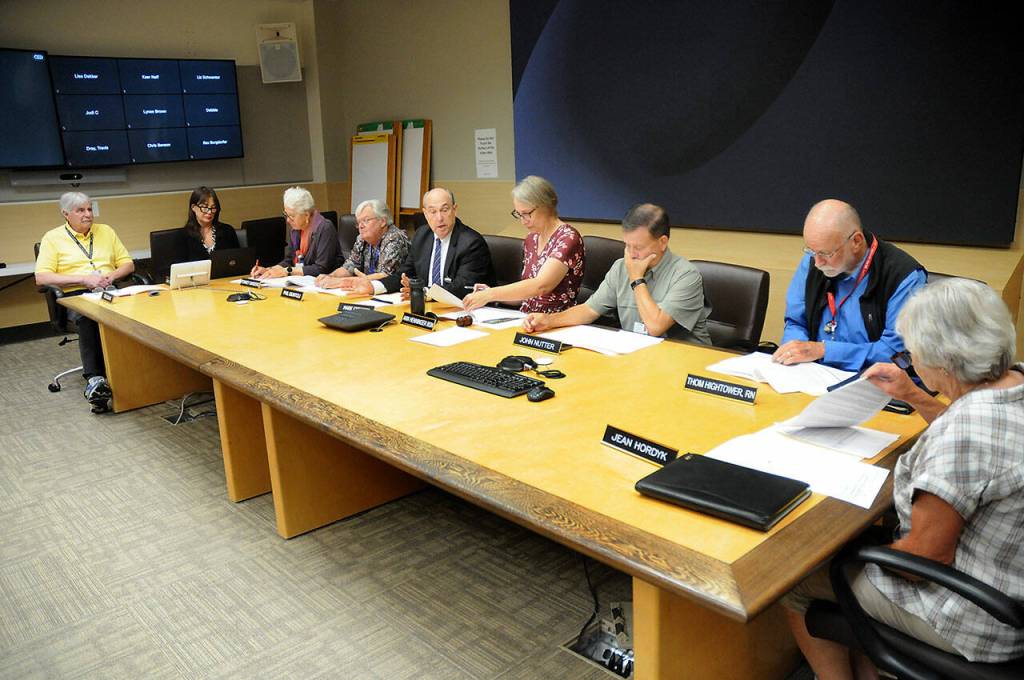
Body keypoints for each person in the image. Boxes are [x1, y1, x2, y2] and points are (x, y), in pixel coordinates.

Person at [783, 278, 1024, 677]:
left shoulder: (963, 432)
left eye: (911, 354)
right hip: (1009, 584)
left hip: (973, 619)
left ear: (942, 362)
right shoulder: (1013, 384)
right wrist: (912, 394)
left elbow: (923, 558)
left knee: (798, 577)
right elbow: (978, 442)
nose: (909, 360)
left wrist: (856, 549)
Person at [522, 203, 711, 343]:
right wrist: (549, 320)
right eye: (627, 245)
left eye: (638, 247)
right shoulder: (621, 267)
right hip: (638, 357)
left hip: (683, 363)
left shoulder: (686, 275)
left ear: (662, 242)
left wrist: (637, 279)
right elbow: (589, 310)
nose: (631, 254)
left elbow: (655, 327)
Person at [774, 199, 926, 371]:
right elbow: (795, 322)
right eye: (811, 251)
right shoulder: (813, 261)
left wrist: (825, 351)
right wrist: (795, 354)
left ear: (856, 241)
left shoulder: (903, 277)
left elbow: (896, 354)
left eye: (826, 253)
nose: (817, 263)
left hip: (873, 379)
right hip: (814, 373)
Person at [35, 191, 136, 413]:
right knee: (89, 317)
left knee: (139, 310)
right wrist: (83, 279)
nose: (88, 214)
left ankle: (139, 371)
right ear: (66, 214)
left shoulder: (106, 231)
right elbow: (41, 278)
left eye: (90, 209)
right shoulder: (52, 238)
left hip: (109, 289)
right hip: (76, 295)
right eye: (80, 210)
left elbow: (128, 264)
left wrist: (112, 275)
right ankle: (95, 380)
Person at [337, 187, 494, 298]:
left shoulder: (471, 243)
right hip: (426, 309)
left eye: (444, 210)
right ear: (425, 214)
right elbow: (404, 275)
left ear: (455, 210)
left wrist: (422, 293)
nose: (439, 218)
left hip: (460, 312)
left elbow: (463, 287)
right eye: (433, 211)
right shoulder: (422, 236)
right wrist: (374, 286)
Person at [462, 175, 584, 313]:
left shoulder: (568, 238)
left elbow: (541, 286)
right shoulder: (532, 238)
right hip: (526, 317)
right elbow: (526, 295)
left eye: (526, 213)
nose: (523, 221)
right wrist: (490, 294)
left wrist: (491, 294)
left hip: (555, 320)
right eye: (519, 214)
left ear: (546, 206)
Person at [314, 199, 409, 288]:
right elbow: (349, 266)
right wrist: (330, 277)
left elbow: (386, 276)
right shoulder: (362, 239)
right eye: (359, 222)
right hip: (367, 290)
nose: (361, 226)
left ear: (383, 221)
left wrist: (341, 282)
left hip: (392, 292)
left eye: (366, 220)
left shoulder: (395, 238)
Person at [250, 186, 338, 279]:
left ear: (306, 215)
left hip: (325, 282)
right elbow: (290, 260)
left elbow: (321, 268)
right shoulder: (295, 229)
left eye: (291, 216)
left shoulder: (325, 228)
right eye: (286, 215)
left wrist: (287, 271)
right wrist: (269, 270)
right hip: (300, 282)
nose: (288, 220)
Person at [175, 186, 239, 262]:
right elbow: (179, 266)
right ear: (193, 207)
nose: (209, 212)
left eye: (213, 207)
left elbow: (238, 259)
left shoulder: (227, 230)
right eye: (205, 207)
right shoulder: (182, 236)